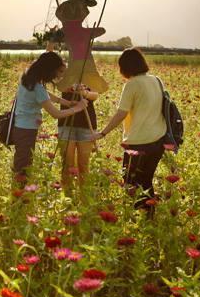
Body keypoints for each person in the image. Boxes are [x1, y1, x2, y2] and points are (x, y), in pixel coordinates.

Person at [91, 49, 167, 216]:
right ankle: (149, 217)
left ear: (125, 67)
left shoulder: (132, 84)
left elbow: (121, 113)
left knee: (131, 183)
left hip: (139, 141)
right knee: (146, 181)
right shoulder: (157, 80)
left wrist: (103, 133)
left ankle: (134, 219)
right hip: (158, 139)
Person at [12, 52, 88, 183]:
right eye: (58, 71)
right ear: (49, 69)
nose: (59, 75)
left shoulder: (28, 76)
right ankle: (19, 197)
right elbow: (56, 114)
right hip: (26, 130)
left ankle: (21, 195)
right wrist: (78, 108)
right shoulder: (37, 87)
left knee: (22, 164)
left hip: (20, 126)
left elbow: (44, 94)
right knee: (23, 168)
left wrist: (66, 102)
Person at [57, 84, 99, 187]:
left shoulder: (89, 75)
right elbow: (58, 86)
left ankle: (84, 198)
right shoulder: (65, 73)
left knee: (83, 164)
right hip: (66, 122)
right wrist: (69, 87)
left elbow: (95, 95)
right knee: (67, 163)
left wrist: (85, 93)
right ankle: (68, 197)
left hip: (86, 123)